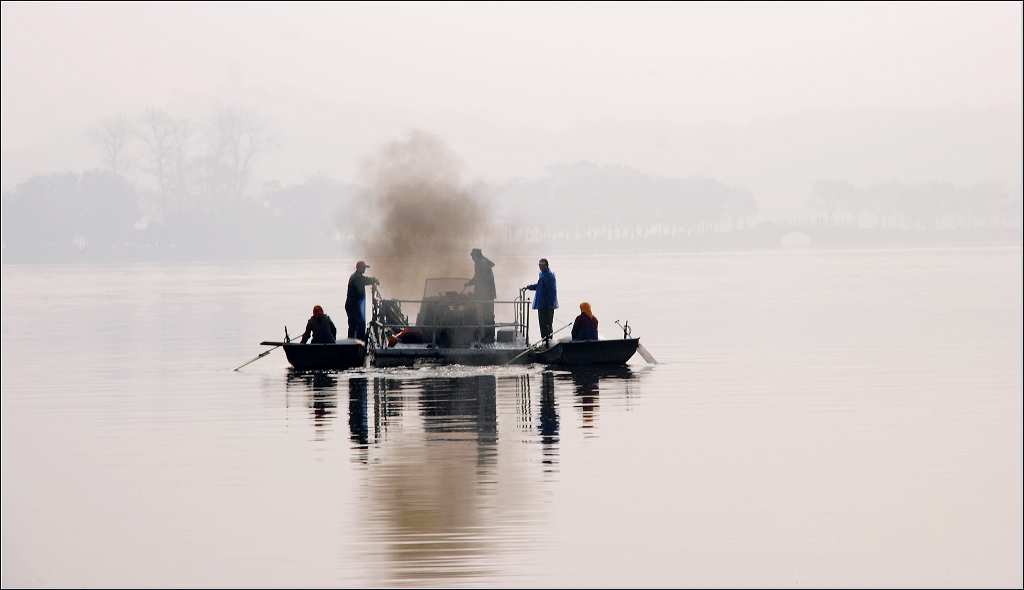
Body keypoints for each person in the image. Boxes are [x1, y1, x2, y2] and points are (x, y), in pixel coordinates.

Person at [464, 248, 496, 343]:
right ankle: (488, 336)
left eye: (472, 256)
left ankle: (488, 337)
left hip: (485, 295)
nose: (472, 258)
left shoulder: (480, 263)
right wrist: (470, 283)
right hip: (488, 294)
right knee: (489, 315)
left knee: (486, 316)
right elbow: (479, 277)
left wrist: (471, 285)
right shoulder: (484, 262)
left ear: (476, 256)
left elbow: (479, 278)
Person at [525, 257, 558, 342]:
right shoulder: (542, 275)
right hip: (541, 304)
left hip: (548, 305)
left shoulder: (550, 276)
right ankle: (544, 342)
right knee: (542, 325)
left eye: (542, 265)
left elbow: (552, 291)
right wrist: (529, 287)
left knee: (547, 325)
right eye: (539, 265)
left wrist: (550, 304)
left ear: (547, 265)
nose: (540, 267)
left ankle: (548, 342)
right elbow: (539, 286)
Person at [344, 260, 379, 341]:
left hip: (355, 306)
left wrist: (373, 280)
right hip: (353, 307)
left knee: (356, 325)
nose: (364, 269)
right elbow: (363, 280)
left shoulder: (357, 276)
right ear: (359, 268)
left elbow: (364, 280)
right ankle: (354, 344)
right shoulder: (356, 277)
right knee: (355, 326)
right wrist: (373, 280)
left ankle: (356, 342)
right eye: (363, 268)